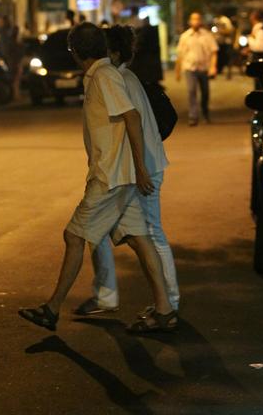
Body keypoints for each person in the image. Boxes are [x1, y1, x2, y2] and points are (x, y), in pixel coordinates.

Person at [19, 22, 177, 334]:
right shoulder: (107, 75)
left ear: (74, 52)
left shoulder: (105, 76)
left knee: (75, 236)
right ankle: (164, 309)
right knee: (140, 239)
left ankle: (52, 308)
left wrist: (141, 170)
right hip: (122, 176)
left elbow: (131, 116)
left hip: (112, 178)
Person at [75, 25, 180, 317]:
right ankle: (106, 295)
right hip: (131, 169)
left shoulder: (116, 78)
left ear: (114, 53)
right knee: (99, 229)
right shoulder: (116, 77)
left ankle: (168, 303)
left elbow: (132, 123)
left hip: (140, 169)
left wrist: (140, 170)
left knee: (150, 234)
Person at [176, 12, 218, 126]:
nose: (196, 21)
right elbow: (180, 54)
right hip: (190, 68)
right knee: (191, 91)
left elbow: (214, 52)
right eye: (193, 19)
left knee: (205, 92)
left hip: (204, 68)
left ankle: (205, 113)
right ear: (190, 21)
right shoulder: (185, 36)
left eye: (198, 19)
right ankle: (193, 116)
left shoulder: (207, 35)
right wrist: (177, 71)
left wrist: (213, 67)